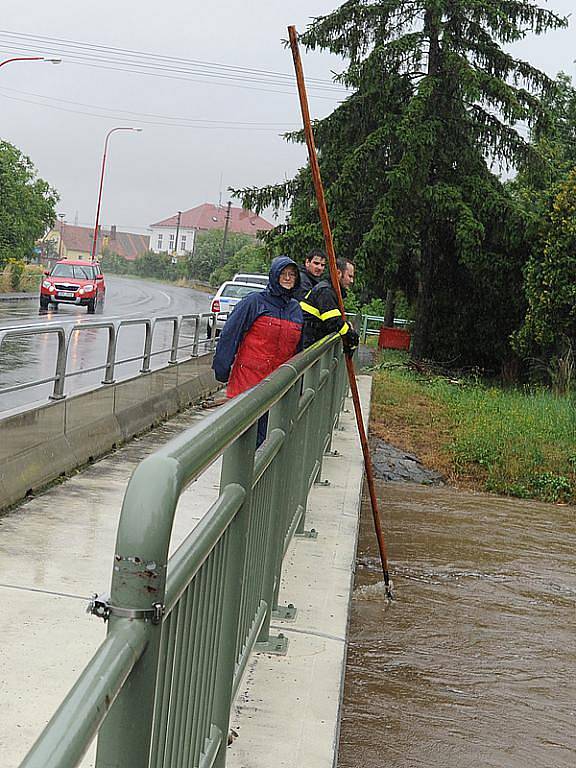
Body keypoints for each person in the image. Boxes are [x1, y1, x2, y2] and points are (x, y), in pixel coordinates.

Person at [212, 256, 303, 445]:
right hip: (248, 384)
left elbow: (299, 350)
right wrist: (222, 369)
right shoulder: (254, 302)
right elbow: (230, 334)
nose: (287, 278)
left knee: (269, 442)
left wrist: (298, 384)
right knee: (243, 443)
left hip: (278, 387)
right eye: (283, 274)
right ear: (274, 276)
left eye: (292, 275)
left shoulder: (296, 310)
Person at [300, 256, 359, 357]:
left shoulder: (330, 290)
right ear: (338, 273)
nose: (352, 281)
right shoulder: (325, 291)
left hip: (312, 343)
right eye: (350, 276)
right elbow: (333, 322)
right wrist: (350, 335)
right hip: (307, 346)